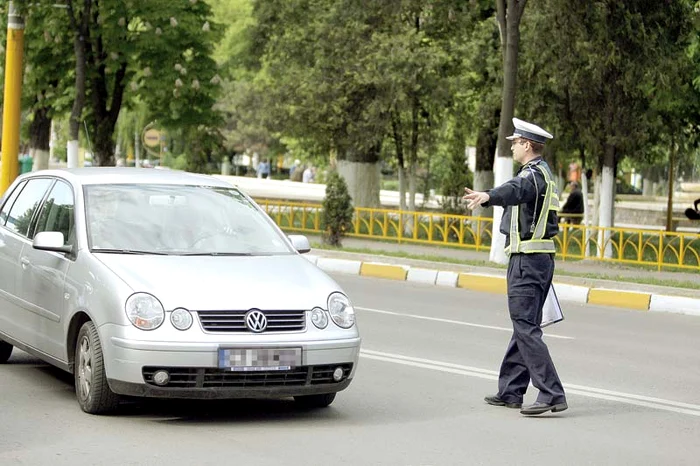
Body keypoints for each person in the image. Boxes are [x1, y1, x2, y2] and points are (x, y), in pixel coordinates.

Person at [463, 117, 567, 416]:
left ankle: (551, 393)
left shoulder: (532, 175)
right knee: (524, 327)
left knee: (525, 327)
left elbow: (515, 190)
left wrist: (488, 197)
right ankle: (511, 391)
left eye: (515, 143)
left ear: (527, 144)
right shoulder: (541, 174)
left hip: (528, 260)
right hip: (537, 259)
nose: (512, 147)